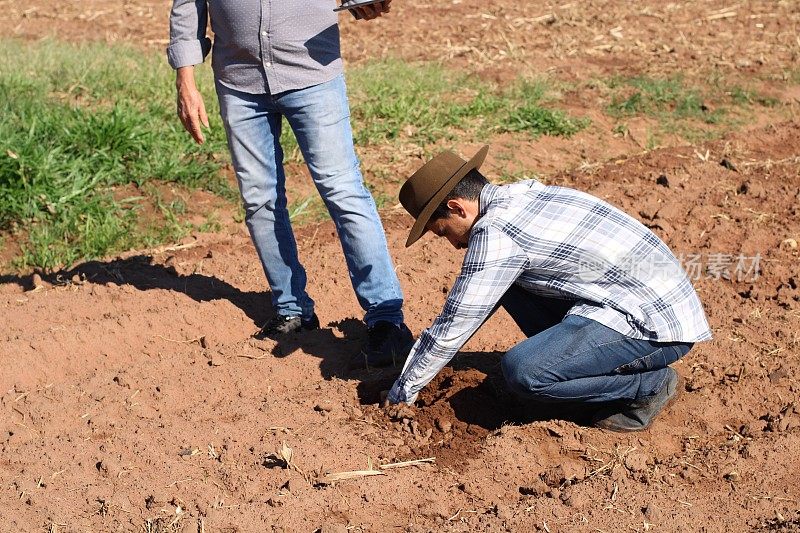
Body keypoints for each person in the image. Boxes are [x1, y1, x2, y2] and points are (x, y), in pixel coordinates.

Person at [386, 146, 712, 431]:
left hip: (657, 328)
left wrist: (402, 394)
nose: (456, 245)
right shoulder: (522, 194)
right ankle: (579, 363)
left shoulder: (497, 234)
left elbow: (454, 324)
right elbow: (472, 308)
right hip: (644, 301)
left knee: (524, 371)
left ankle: (649, 386)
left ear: (457, 208)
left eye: (445, 232)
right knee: (504, 284)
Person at [167, 0, 412, 366]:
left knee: (343, 191)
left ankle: (386, 320)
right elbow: (188, 6)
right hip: (238, 81)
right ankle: (292, 310)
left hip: (312, 74)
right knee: (259, 199)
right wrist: (185, 79)